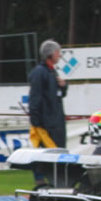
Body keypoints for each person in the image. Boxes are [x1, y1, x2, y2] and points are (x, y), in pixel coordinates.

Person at [28, 39, 68, 183]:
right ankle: (40, 181)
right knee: (43, 153)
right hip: (45, 123)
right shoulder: (39, 72)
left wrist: (63, 86)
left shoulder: (53, 72)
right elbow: (35, 98)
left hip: (56, 122)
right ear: (50, 54)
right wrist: (36, 120)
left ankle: (56, 181)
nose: (59, 55)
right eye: (57, 52)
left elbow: (58, 95)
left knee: (58, 153)